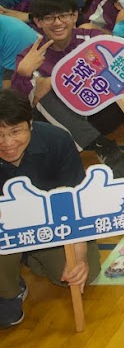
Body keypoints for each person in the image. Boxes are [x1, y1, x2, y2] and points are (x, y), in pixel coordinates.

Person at [0, 89, 101, 328]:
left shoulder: (58, 140)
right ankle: (8, 291)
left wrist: (80, 257)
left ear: (31, 125)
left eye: (15, 131)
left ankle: (31, 257)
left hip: (54, 226)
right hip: (5, 231)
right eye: (0, 135)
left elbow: (76, 204)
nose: (8, 143)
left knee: (81, 273)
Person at [11, 0, 124, 178]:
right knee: (41, 96)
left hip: (105, 110)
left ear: (75, 16)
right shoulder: (30, 55)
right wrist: (23, 75)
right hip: (68, 121)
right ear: (38, 22)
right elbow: (18, 108)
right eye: (49, 18)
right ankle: (105, 149)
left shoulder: (93, 39)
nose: (57, 23)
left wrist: (56, 80)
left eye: (64, 15)